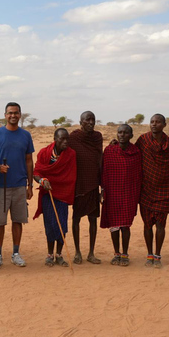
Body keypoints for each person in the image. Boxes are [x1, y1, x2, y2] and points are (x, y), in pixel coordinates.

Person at [0, 102, 33, 269]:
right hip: (0, 185)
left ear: (20, 115)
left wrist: (29, 185)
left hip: (20, 185)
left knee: (18, 220)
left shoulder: (26, 135)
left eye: (16, 113)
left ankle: (16, 253)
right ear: (5, 115)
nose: (13, 115)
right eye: (10, 113)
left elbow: (29, 160)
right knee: (0, 222)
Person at [135, 114, 169, 268]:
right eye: (152, 122)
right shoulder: (143, 140)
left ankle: (158, 255)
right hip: (146, 189)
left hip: (165, 190)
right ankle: (149, 254)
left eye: (158, 122)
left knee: (161, 225)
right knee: (147, 225)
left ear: (164, 125)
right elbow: (133, 154)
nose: (154, 125)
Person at [34, 128, 77, 268]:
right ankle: (49, 254)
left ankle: (59, 254)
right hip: (48, 194)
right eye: (61, 139)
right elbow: (37, 172)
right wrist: (42, 181)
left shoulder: (71, 154)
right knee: (50, 225)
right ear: (55, 138)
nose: (65, 142)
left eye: (67, 139)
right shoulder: (44, 153)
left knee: (62, 225)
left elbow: (71, 176)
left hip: (63, 194)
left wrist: (59, 184)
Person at [100, 124, 142, 266]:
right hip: (112, 193)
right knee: (114, 225)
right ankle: (116, 253)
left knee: (125, 226)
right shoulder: (110, 151)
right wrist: (103, 190)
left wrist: (136, 195)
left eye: (125, 133)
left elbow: (138, 176)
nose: (122, 135)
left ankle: (125, 254)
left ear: (131, 135)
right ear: (117, 134)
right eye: (120, 132)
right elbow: (104, 172)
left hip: (129, 193)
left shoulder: (136, 152)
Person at [68, 111, 103, 265]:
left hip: (94, 183)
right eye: (87, 120)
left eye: (92, 120)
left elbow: (100, 158)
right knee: (76, 219)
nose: (90, 122)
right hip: (79, 184)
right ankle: (77, 252)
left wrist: (103, 185)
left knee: (93, 220)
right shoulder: (73, 138)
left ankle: (91, 253)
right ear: (80, 122)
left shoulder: (97, 137)